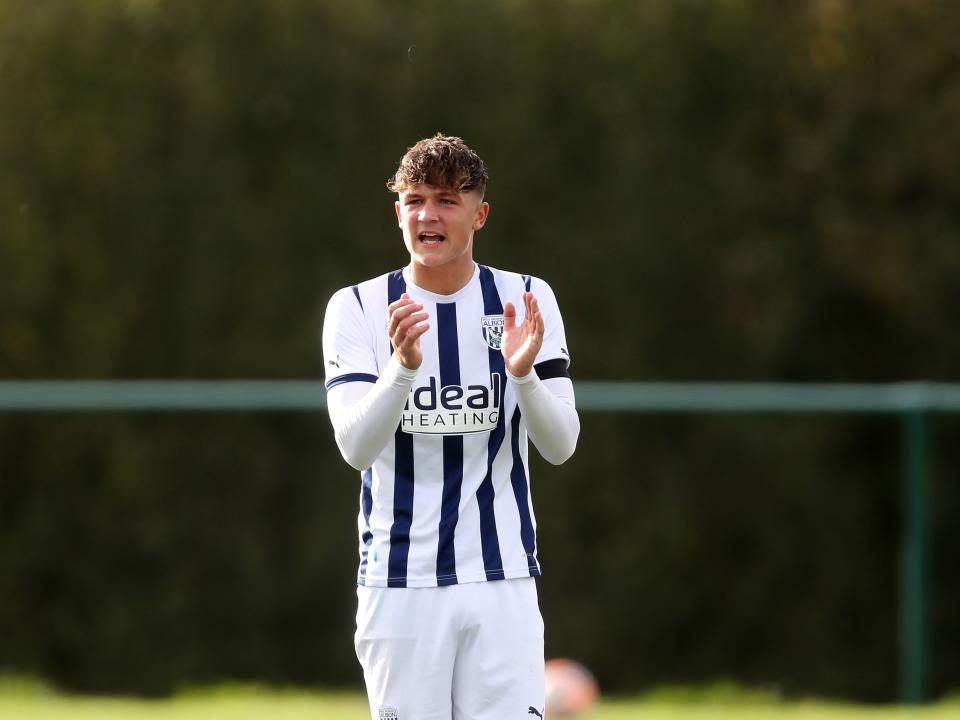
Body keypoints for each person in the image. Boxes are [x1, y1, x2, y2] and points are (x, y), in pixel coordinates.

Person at [322, 134, 580, 720]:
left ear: (479, 214)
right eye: (414, 200)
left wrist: (523, 377)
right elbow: (355, 448)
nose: (427, 215)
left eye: (445, 199)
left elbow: (561, 445)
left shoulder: (526, 298)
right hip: (399, 582)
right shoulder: (357, 307)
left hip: (502, 577)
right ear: (397, 213)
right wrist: (403, 369)